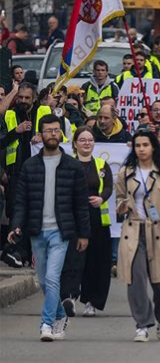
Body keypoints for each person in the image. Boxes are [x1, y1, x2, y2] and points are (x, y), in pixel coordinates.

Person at [7, 115, 90, 340]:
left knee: (53, 277)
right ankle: (61, 315)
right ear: (40, 134)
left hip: (61, 232)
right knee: (44, 281)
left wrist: (84, 234)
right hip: (37, 231)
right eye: (48, 131)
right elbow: (21, 201)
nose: (52, 134)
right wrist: (16, 227)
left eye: (56, 131)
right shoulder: (30, 166)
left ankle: (46, 323)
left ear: (61, 134)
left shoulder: (72, 166)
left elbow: (81, 204)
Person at [115, 130, 160, 342]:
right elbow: (119, 198)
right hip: (133, 230)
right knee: (135, 279)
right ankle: (142, 324)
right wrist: (122, 205)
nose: (141, 149)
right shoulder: (125, 173)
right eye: (138, 145)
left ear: (153, 146)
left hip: (158, 230)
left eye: (145, 145)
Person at [67, 126, 113, 317]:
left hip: (96, 218)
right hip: (74, 218)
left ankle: (92, 301)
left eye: (90, 140)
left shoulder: (102, 164)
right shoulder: (69, 164)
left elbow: (109, 185)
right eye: (82, 140)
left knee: (97, 261)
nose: (87, 143)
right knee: (75, 259)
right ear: (75, 143)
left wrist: (101, 198)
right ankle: (70, 296)